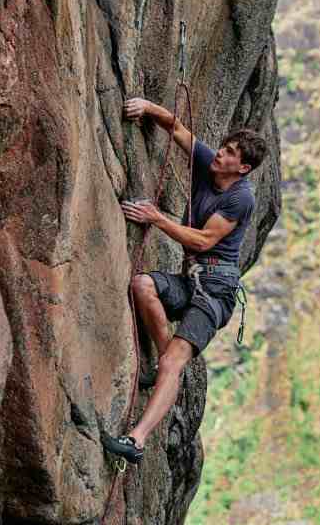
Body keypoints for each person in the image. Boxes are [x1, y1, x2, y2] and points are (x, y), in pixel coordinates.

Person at [101, 97, 267, 464]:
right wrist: (146, 107)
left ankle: (137, 440)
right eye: (223, 148)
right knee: (142, 285)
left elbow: (204, 241)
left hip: (217, 290)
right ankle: (165, 363)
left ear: (243, 167)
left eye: (229, 153)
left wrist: (157, 219)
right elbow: (176, 128)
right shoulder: (211, 164)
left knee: (177, 359)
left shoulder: (241, 199)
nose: (219, 154)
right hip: (191, 278)